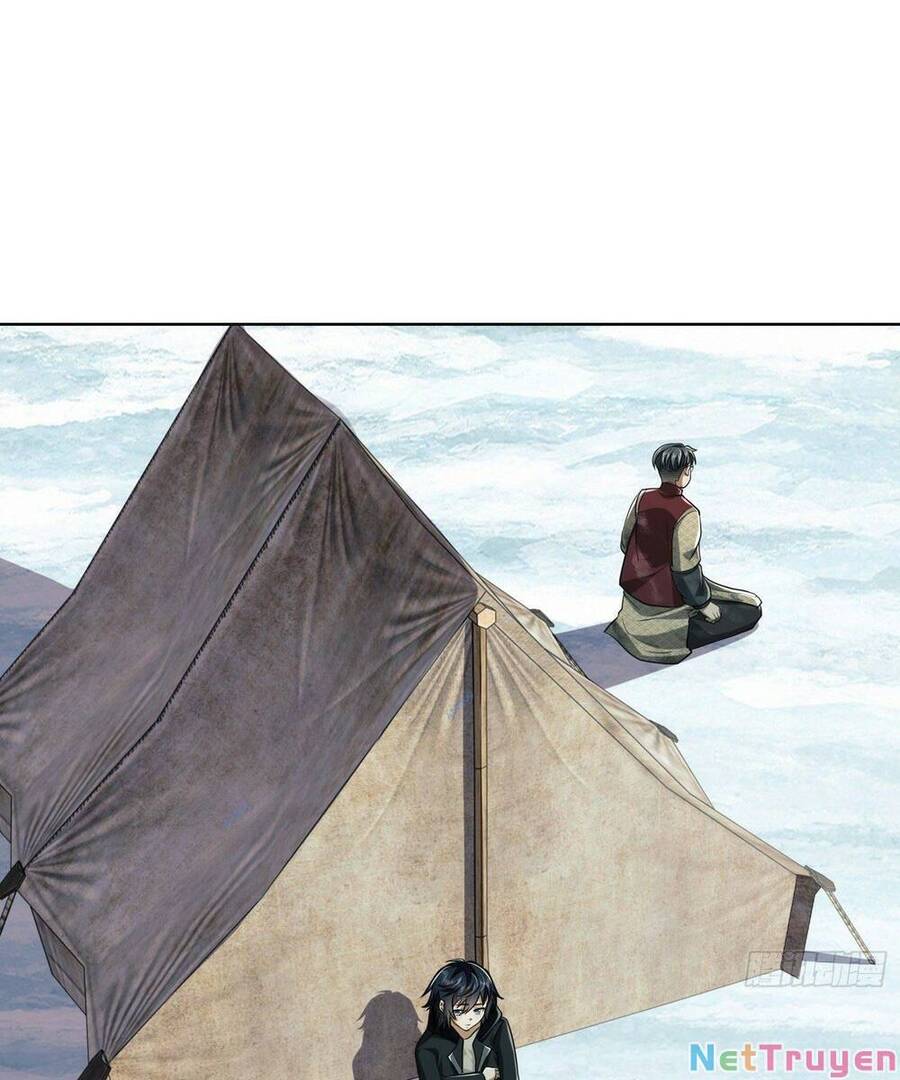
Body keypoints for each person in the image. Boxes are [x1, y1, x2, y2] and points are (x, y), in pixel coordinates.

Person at [605, 442, 762, 664]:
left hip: (632, 609)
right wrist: (703, 605)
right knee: (750, 612)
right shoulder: (687, 513)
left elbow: (625, 542)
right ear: (686, 472)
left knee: (739, 599)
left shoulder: (642, 498)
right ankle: (666, 639)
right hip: (665, 619)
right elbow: (684, 571)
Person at [415, 959, 519, 1080]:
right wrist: (481, 1077)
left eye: (478, 1010)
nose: (470, 1018)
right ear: (442, 1006)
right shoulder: (428, 1047)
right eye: (460, 1011)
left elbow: (511, 1076)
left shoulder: (497, 1028)